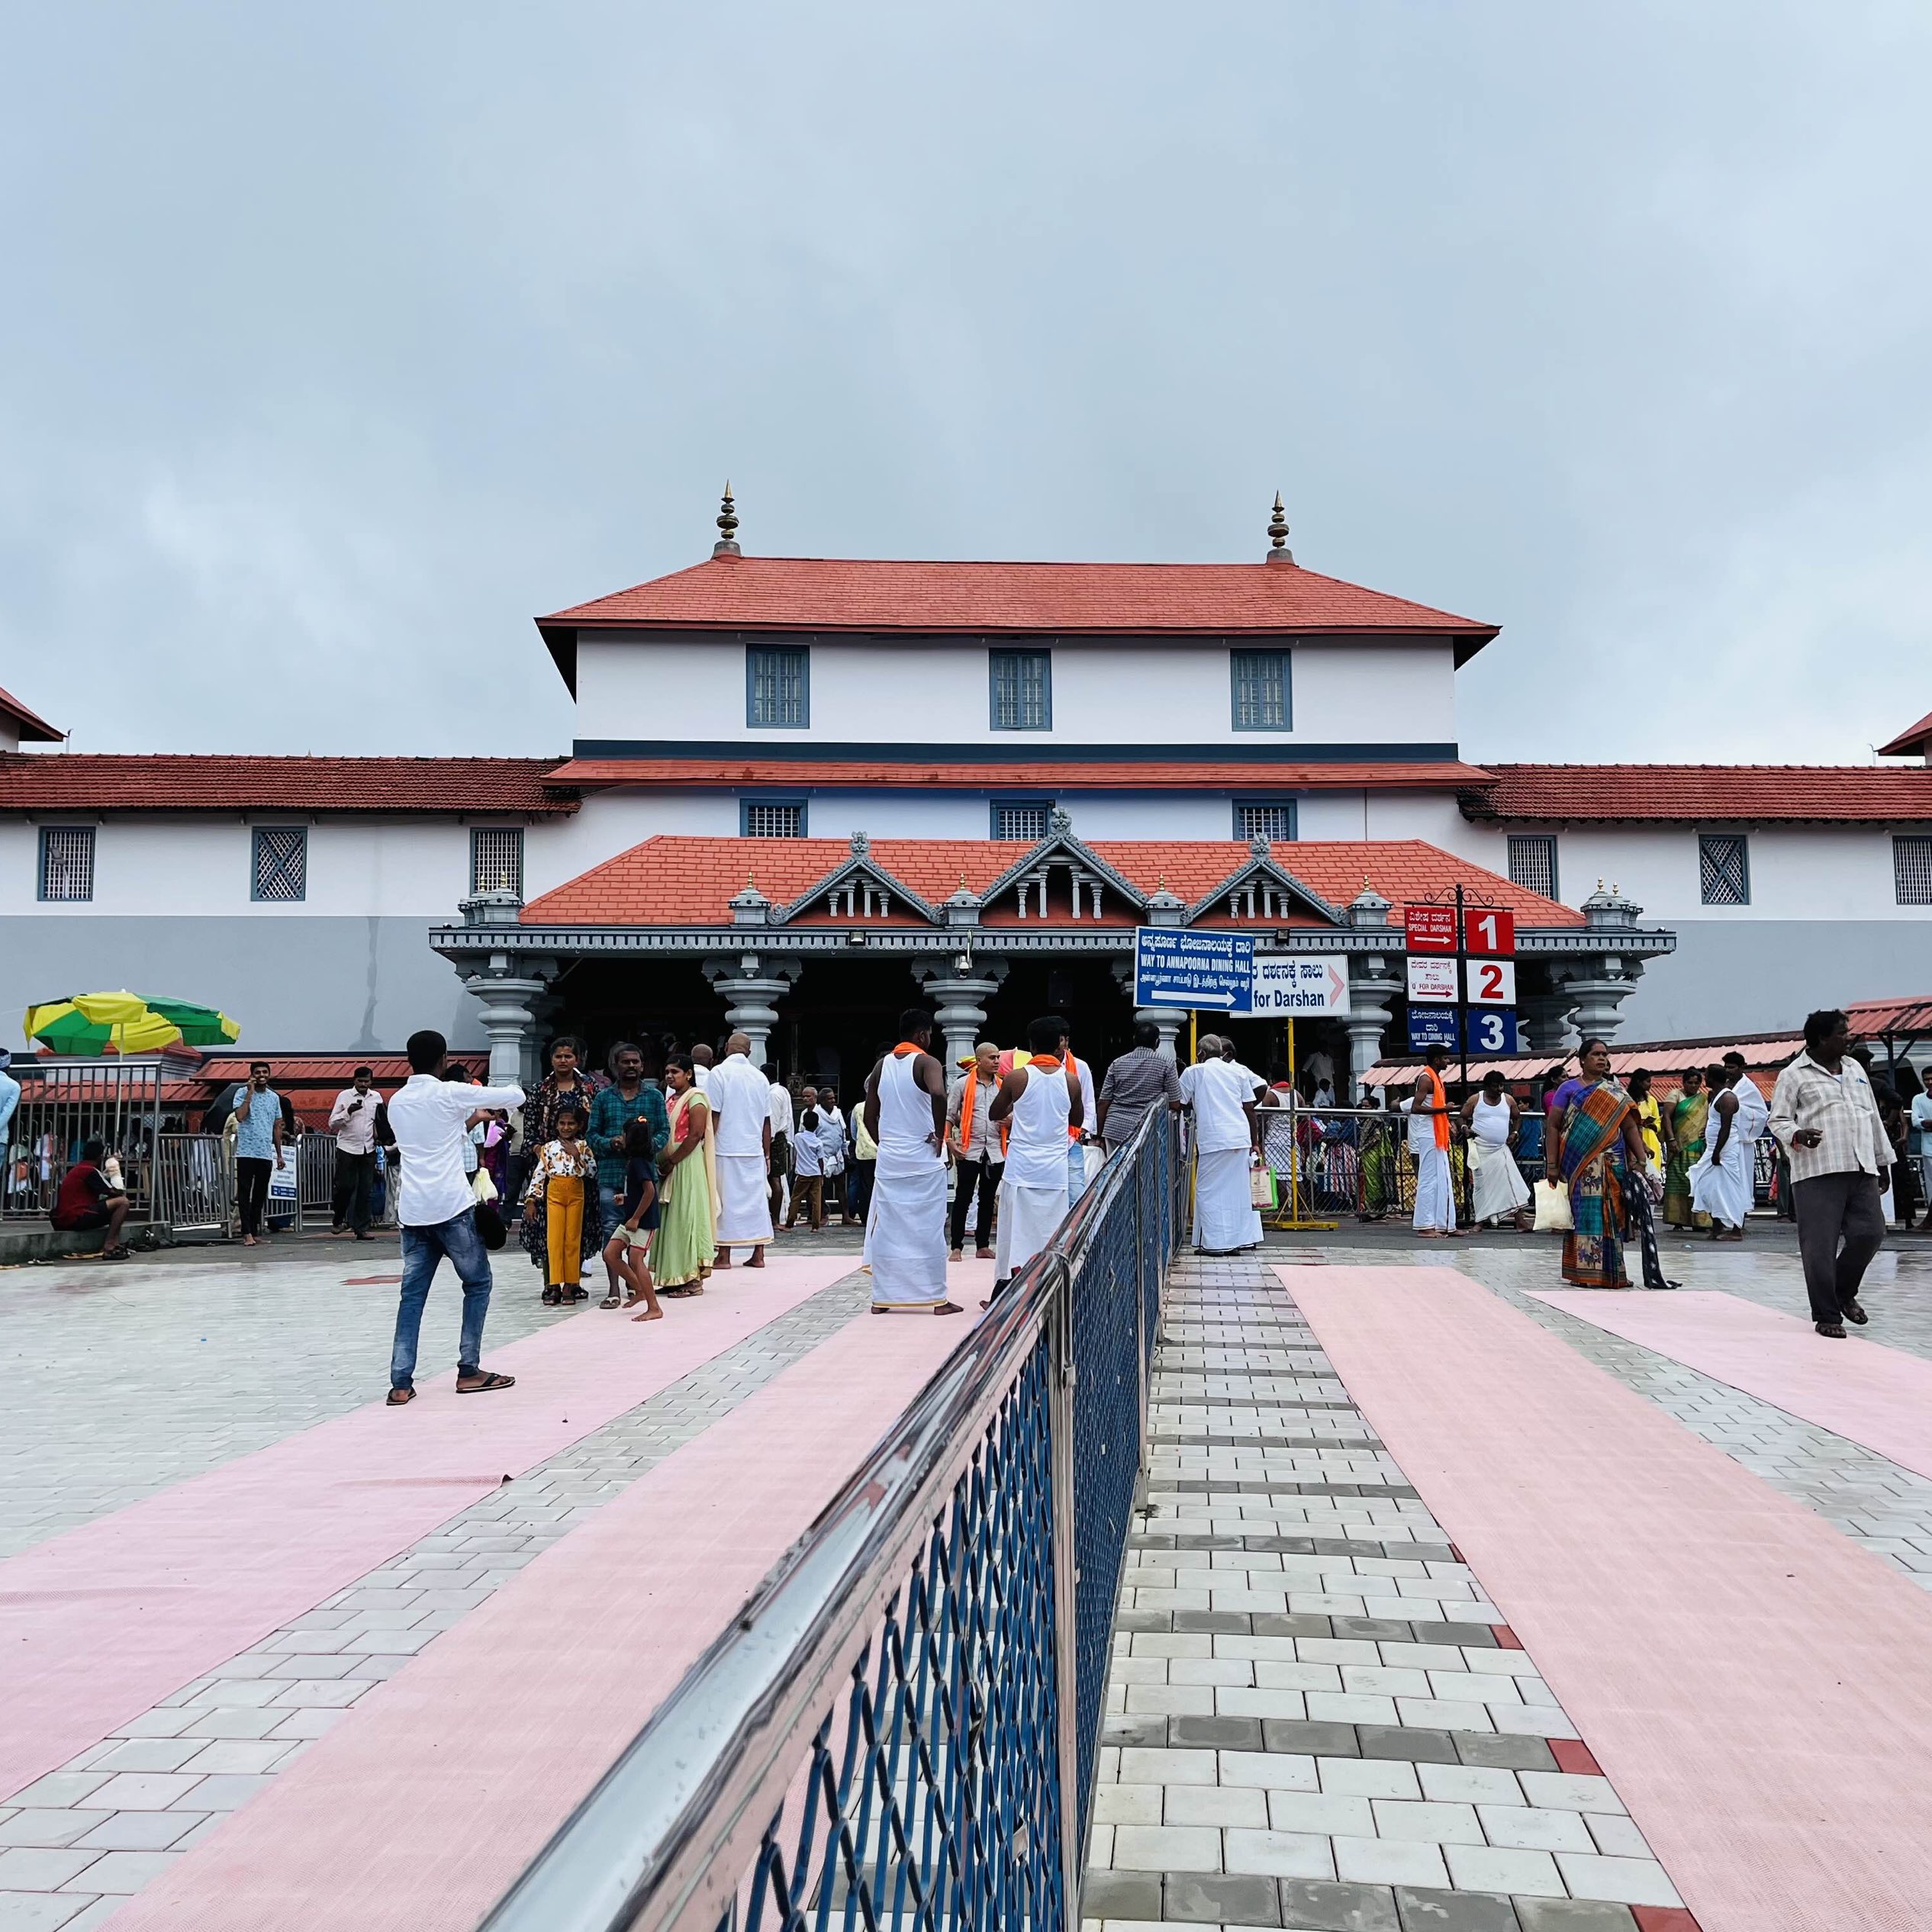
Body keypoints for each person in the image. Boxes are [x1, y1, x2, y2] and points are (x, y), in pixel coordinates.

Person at [385, 1029, 525, 1406]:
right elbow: (516, 1096)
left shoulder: (397, 1102)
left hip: (414, 1211)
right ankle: (468, 1370)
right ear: (444, 1059)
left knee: (412, 1297)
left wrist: (469, 1112)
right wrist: (478, 1090)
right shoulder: (449, 1092)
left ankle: (401, 1383)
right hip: (451, 1207)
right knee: (477, 1284)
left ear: (409, 1059)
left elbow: (434, 1138)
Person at [1769, 1009, 1893, 1338]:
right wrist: (1797, 1134)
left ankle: (1842, 1291)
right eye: (1841, 1033)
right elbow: (1777, 1120)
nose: (1847, 1038)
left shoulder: (1855, 1069)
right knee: (1819, 1246)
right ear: (1822, 1039)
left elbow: (1871, 1116)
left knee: (1871, 1233)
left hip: (1861, 1165)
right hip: (1818, 1169)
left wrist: (1882, 1161)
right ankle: (1826, 1314)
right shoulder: (1793, 1075)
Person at [861, 1011, 960, 1314]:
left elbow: (869, 1116)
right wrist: (940, 1135)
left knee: (888, 1229)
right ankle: (937, 1299)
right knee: (928, 1229)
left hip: (891, 1161)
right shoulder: (928, 1063)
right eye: (930, 1034)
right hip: (923, 1158)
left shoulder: (881, 1066)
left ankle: (883, 1299)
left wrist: (886, 1145)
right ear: (922, 1035)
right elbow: (938, 1093)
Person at [991, 1015, 1082, 1286]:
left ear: (1031, 1046)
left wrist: (1017, 1104)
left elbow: (996, 1113)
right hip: (1054, 1169)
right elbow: (1077, 1120)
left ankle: (1007, 1287)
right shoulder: (1070, 1080)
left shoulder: (1016, 1077)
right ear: (1060, 1046)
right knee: (1051, 1229)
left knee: (1013, 1231)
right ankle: (1049, 1284)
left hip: (1021, 1168)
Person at [1556, 1037, 1651, 1290]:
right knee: (1585, 1216)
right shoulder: (1568, 1089)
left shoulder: (1616, 1092)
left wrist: (1641, 1159)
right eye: (1596, 1054)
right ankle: (1584, 1273)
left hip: (1613, 1163)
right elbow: (1553, 1126)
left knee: (1614, 1216)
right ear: (1582, 1060)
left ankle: (1613, 1272)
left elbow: (1629, 1127)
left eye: (1604, 1054)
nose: (1601, 1058)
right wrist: (1552, 1165)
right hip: (1579, 1164)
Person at [1178, 1034, 1260, 1254]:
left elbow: (1178, 1102)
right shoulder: (1238, 1072)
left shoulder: (1194, 1071)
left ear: (1201, 1053)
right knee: (1237, 1192)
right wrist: (1255, 1142)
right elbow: (1249, 1108)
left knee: (1207, 1190)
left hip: (1214, 1138)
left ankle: (1215, 1244)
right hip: (1240, 1137)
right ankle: (1236, 1241)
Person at [590, 1044, 671, 1248]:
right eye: (626, 1062)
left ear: (642, 1066)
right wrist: (611, 1143)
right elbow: (591, 1135)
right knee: (610, 1226)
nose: (631, 1065)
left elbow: (664, 1131)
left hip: (643, 1175)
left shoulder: (654, 1096)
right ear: (616, 1066)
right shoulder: (603, 1098)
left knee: (639, 1231)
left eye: (635, 1062)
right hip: (611, 1172)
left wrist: (642, 1146)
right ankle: (613, 1271)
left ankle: (634, 1270)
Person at [519, 1101, 601, 1304]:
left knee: (572, 1239)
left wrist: (577, 1157)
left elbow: (592, 1172)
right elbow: (539, 1174)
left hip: (576, 1193)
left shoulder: (584, 1146)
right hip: (554, 1194)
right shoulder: (548, 1148)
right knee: (554, 1241)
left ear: (579, 1126)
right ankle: (554, 1284)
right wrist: (531, 1201)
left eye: (571, 1123)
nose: (566, 1127)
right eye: (562, 1123)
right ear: (556, 1125)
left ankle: (570, 1285)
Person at [653, 1055, 719, 1294]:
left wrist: (672, 1161)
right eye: (667, 1072)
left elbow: (695, 1135)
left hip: (686, 1164)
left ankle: (693, 1280)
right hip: (670, 1165)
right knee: (671, 1220)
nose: (670, 1076)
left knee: (687, 1216)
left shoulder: (696, 1098)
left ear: (689, 1074)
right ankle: (674, 1277)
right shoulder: (670, 1100)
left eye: (675, 1072)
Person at [707, 1032, 774, 1267]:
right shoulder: (760, 1077)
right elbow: (767, 1121)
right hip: (753, 1148)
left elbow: (714, 1114)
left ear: (726, 1048)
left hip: (725, 1147)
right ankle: (759, 1254)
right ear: (749, 1052)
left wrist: (706, 1145)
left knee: (725, 1202)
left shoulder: (718, 1073)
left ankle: (724, 1255)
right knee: (757, 1202)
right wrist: (767, 1153)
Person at [948, 1042, 1004, 1260]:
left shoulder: (1003, 1086)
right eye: (992, 1058)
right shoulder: (962, 1084)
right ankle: (956, 1247)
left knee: (987, 1199)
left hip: (995, 1150)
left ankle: (983, 1245)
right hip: (969, 1150)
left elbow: (1013, 1113)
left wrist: (1010, 1120)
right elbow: (949, 1116)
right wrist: (949, 1142)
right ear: (979, 1061)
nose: (997, 1061)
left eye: (998, 1057)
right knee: (963, 1198)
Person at [602, 1119, 662, 1319]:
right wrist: (627, 1198)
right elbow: (639, 1191)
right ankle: (640, 1289)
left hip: (643, 1221)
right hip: (630, 1218)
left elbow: (650, 1191)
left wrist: (636, 1218)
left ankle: (654, 1307)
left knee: (636, 1260)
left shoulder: (639, 1163)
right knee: (610, 1254)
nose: (621, 1138)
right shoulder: (634, 1162)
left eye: (624, 1134)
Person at [1095, 1019, 1182, 1152]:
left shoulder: (1117, 1063)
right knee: (1145, 1166)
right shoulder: (1167, 1064)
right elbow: (1175, 1103)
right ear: (1157, 1042)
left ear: (1134, 1039)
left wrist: (1099, 1135)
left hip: (1115, 1128)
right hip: (1148, 1129)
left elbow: (1103, 1102)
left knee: (1115, 1165)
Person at [1690, 1061, 1753, 1239]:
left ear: (1713, 1078)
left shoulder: (1728, 1099)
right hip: (1714, 1149)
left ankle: (1736, 1230)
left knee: (1729, 1189)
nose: (1704, 1078)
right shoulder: (1715, 1096)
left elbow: (1725, 1129)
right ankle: (1717, 1226)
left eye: (1706, 1075)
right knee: (1707, 1186)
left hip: (1725, 1151)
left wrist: (1717, 1152)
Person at [1461, 1070, 1531, 1228]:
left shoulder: (1508, 1099)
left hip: (1500, 1150)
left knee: (1512, 1184)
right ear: (1487, 1087)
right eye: (1495, 1086)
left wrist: (1514, 1133)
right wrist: (1465, 1128)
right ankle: (1479, 1222)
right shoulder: (1475, 1099)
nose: (1499, 1089)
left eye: (1501, 1086)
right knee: (1481, 1186)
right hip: (1480, 1150)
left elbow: (1517, 1117)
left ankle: (1520, 1222)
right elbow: (1462, 1117)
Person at [230, 1060, 286, 1247]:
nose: (262, 1075)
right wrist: (249, 1093)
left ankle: (254, 1231)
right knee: (244, 1192)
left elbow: (277, 1126)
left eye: (264, 1072)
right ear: (252, 1075)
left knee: (260, 1194)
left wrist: (279, 1154)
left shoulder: (274, 1097)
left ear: (269, 1074)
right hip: (246, 1151)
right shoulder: (242, 1092)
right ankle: (246, 1232)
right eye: (258, 1072)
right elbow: (240, 1116)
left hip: (264, 1152)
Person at [327, 1066, 387, 1240]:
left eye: (366, 1081)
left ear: (371, 1082)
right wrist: (348, 1112)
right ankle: (339, 1218)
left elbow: (379, 1120)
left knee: (365, 1190)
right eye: (360, 1081)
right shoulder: (344, 1096)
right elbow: (332, 1123)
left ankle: (361, 1228)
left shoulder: (376, 1097)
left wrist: (382, 1136)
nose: (363, 1084)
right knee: (345, 1186)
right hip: (347, 1147)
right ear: (354, 1081)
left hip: (368, 1148)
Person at [50, 1137, 130, 1257]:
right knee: (123, 1203)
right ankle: (109, 1244)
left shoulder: (80, 1169)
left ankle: (115, 1242)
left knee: (114, 1204)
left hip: (64, 1218)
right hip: (76, 1217)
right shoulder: (89, 1171)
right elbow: (116, 1192)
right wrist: (114, 1170)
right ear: (100, 1157)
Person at [1407, 1045, 1457, 1238]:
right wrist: (1444, 1109)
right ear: (1436, 1060)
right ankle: (1424, 1226)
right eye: (1445, 1058)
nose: (1448, 1062)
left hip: (1437, 1135)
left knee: (1442, 1180)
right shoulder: (1426, 1079)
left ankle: (1444, 1224)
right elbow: (1416, 1108)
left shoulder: (1435, 1078)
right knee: (1428, 1181)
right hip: (1429, 1135)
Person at [526, 1038, 599, 1151]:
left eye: (568, 1057)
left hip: (585, 1152)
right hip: (548, 1153)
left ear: (576, 1060)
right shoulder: (539, 1089)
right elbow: (530, 1128)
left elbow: (598, 1120)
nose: (563, 1060)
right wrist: (540, 1150)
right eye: (558, 1057)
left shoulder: (589, 1086)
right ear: (552, 1060)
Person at [1663, 1067, 1711, 1230]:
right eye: (1690, 1083)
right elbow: (1666, 1117)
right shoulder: (1675, 1095)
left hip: (1698, 1146)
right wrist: (1671, 1139)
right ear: (1683, 1083)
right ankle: (1678, 1219)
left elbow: (1709, 1119)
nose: (1693, 1086)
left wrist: (1707, 1131)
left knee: (1697, 1182)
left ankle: (1699, 1221)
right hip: (1678, 1146)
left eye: (1697, 1083)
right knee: (1679, 1181)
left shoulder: (1703, 1099)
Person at [1064, 1029, 1099, 1206]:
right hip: (1046, 1141)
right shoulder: (1033, 1070)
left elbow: (1088, 1101)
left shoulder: (1080, 1066)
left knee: (1075, 1191)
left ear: (1066, 1041)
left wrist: (1082, 1131)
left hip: (1072, 1138)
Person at [786, 1096, 827, 1231]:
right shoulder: (818, 1142)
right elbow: (820, 1160)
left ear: (803, 1123)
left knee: (796, 1198)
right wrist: (822, 1175)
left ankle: (790, 1223)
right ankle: (815, 1226)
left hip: (802, 1173)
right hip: (815, 1173)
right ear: (817, 1126)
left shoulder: (798, 1137)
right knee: (816, 1200)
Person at [765, 1062, 794, 1225]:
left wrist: (767, 1145)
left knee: (774, 1178)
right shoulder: (782, 1091)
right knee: (776, 1177)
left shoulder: (773, 1094)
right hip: (780, 1138)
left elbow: (773, 1122)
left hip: (774, 1139)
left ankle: (775, 1219)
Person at [1628, 1070, 1664, 1173]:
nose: (1650, 1084)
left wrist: (1653, 1125)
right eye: (1648, 1081)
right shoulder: (1628, 1099)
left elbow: (1658, 1122)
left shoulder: (1652, 1100)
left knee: (1653, 1173)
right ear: (1639, 1082)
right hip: (1634, 1138)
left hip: (1651, 1139)